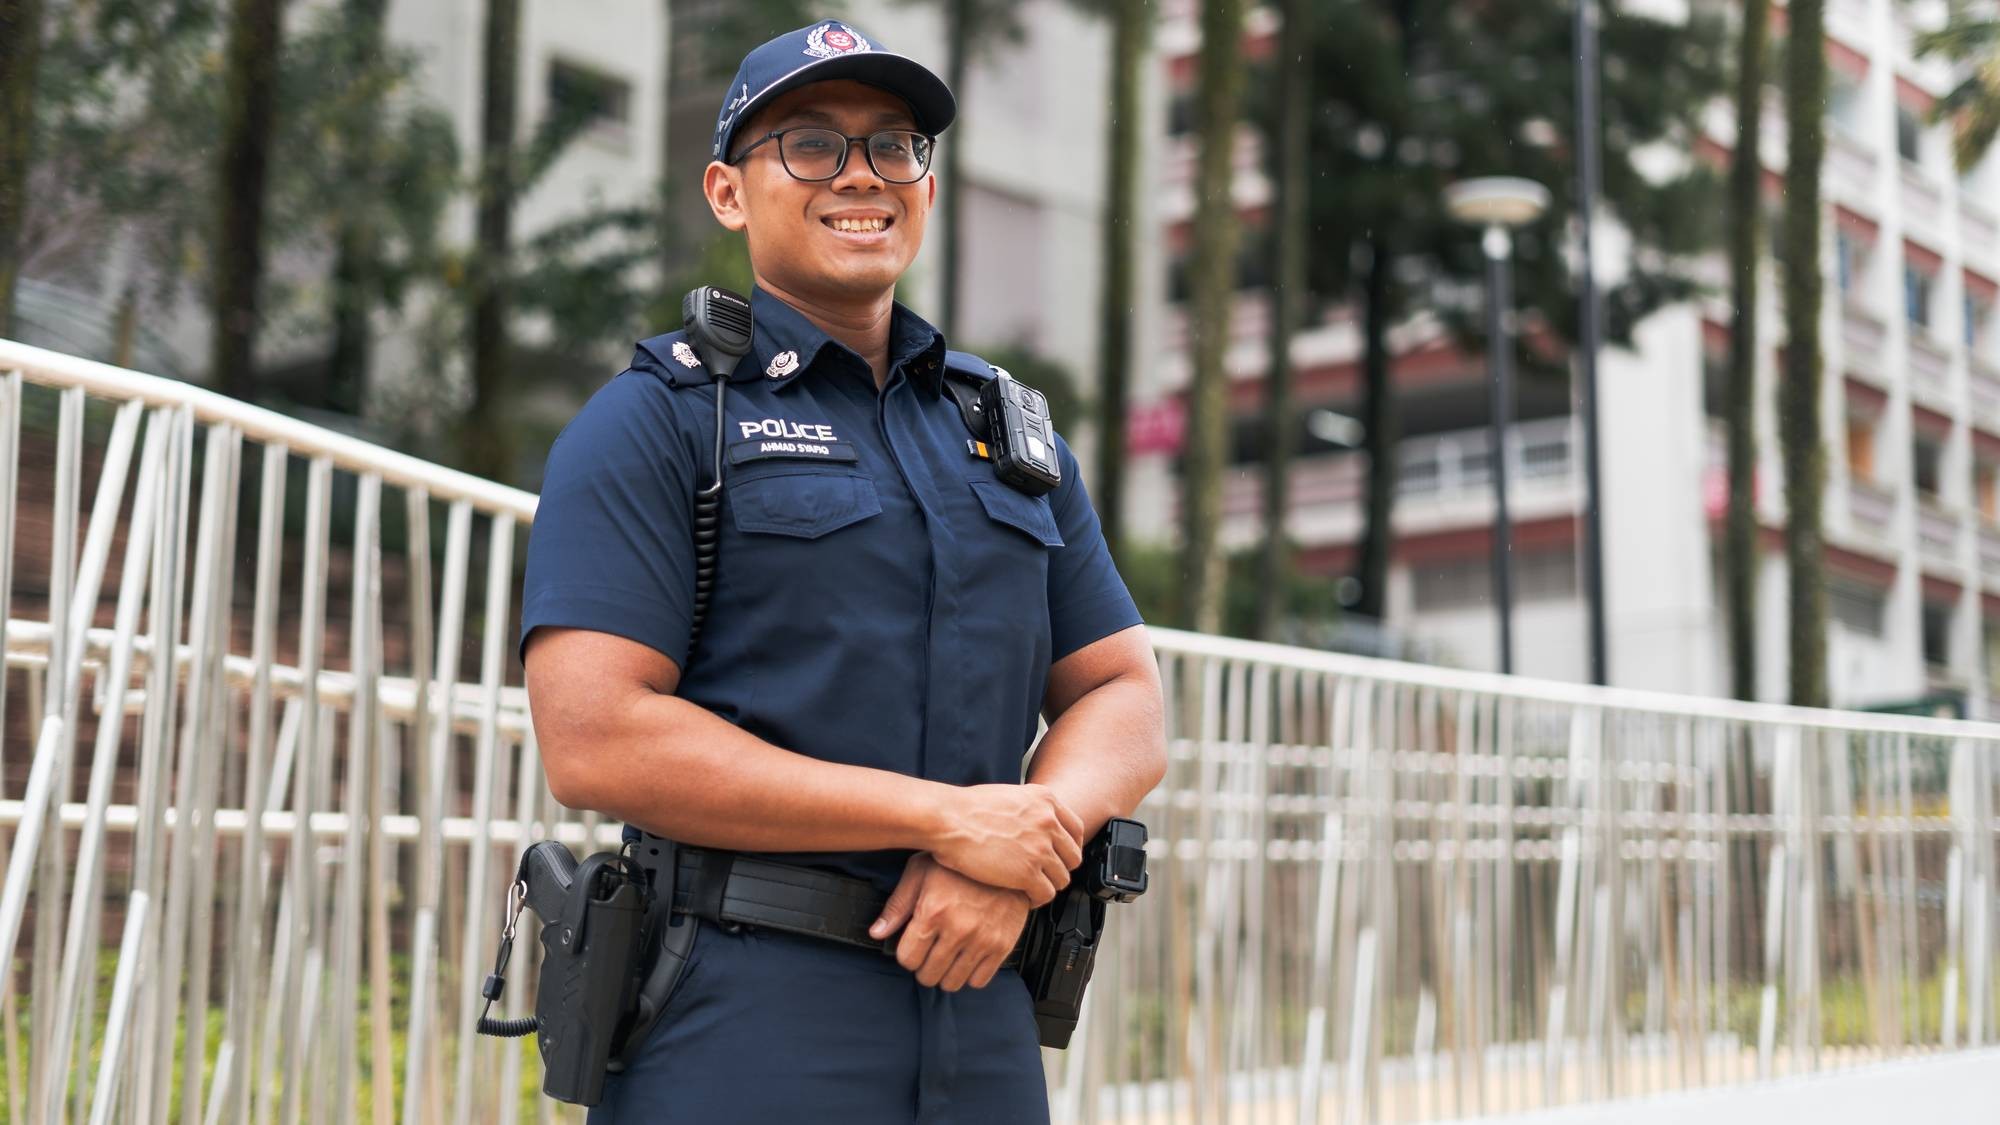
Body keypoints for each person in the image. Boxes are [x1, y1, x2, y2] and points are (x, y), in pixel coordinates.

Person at [520, 18, 1166, 1123]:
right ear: (728, 192)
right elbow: (596, 735)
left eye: (894, 145)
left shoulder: (1005, 436)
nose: (861, 175)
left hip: (982, 1001)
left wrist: (1003, 848)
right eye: (811, 144)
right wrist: (941, 820)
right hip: (740, 1011)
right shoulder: (659, 420)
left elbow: (1123, 695)